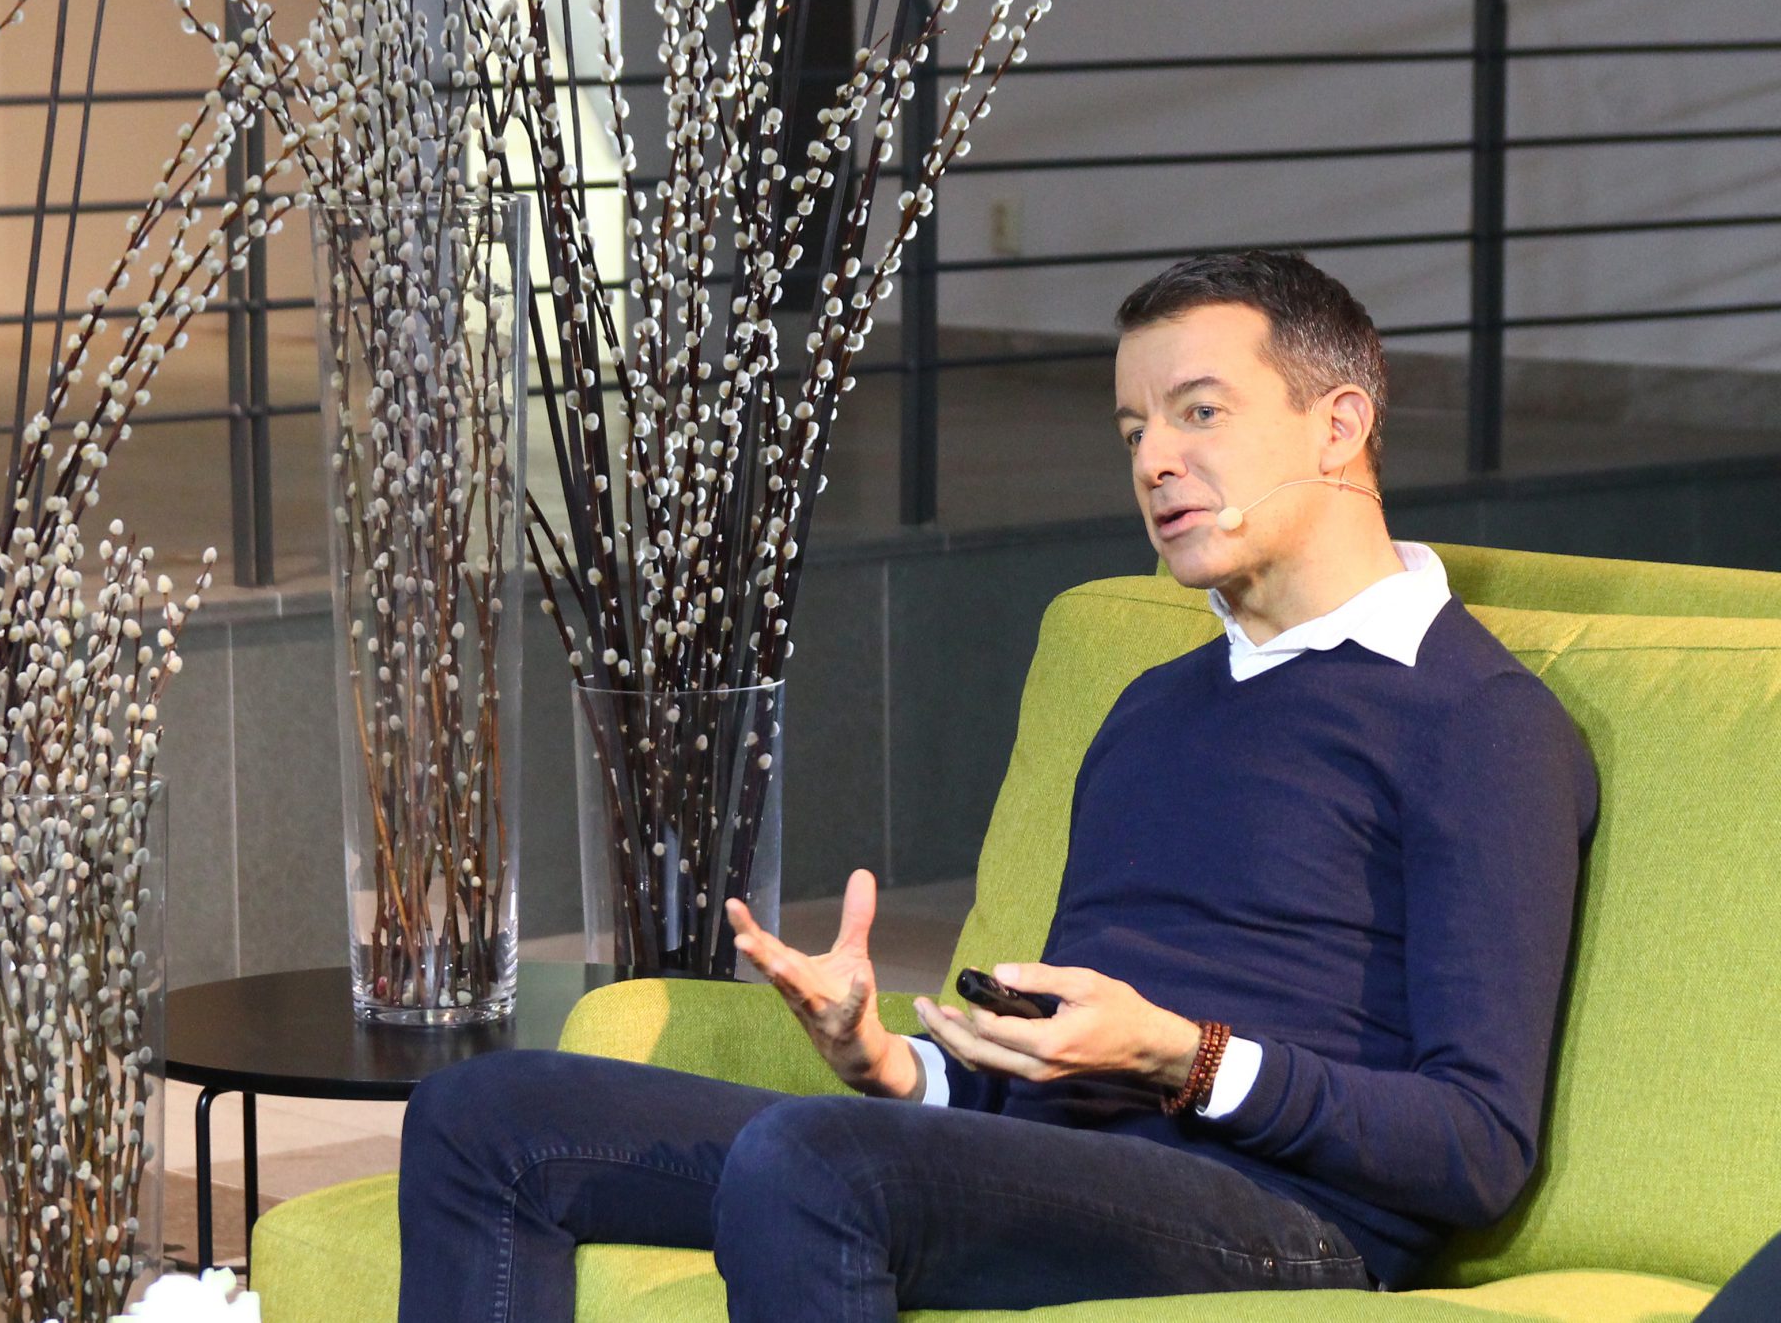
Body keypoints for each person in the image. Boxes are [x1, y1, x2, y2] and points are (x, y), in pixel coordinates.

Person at [396, 250, 1599, 1322]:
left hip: (1286, 1217)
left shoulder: (1475, 723)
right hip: (1070, 1173)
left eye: (1198, 412)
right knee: (483, 1116)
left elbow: (1475, 1145)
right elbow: (1057, 1074)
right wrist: (891, 1064)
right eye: (1132, 430)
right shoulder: (1153, 708)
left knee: (817, 1167)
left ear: (1338, 427)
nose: (1155, 463)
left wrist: (1184, 1056)